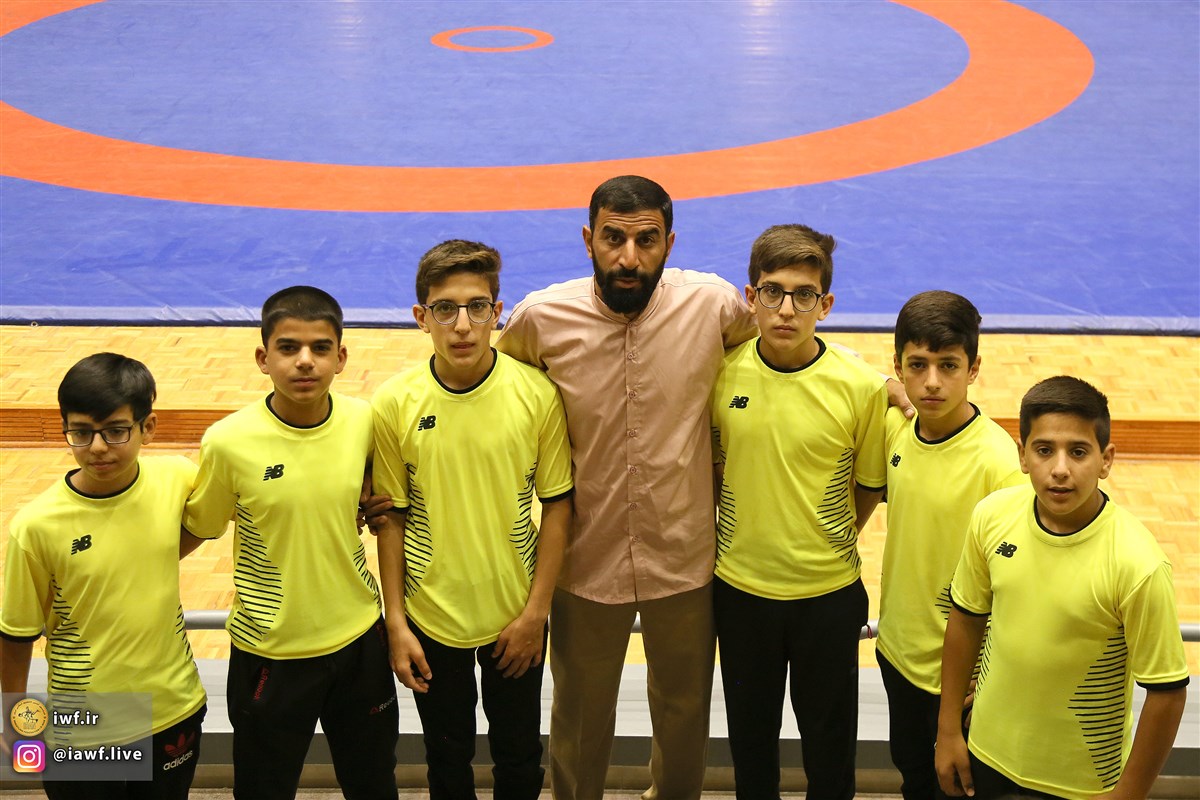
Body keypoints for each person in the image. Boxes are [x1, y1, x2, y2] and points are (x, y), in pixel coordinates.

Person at [496, 175, 758, 800]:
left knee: (685, 712)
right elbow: (489, 390)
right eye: (613, 239)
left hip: (684, 553)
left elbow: (784, 349)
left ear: (670, 242)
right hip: (585, 558)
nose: (629, 258)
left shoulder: (714, 305)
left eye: (647, 240)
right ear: (588, 239)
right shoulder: (540, 320)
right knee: (580, 716)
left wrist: (873, 384)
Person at [370, 240, 574, 798]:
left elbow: (558, 505)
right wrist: (396, 623)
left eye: (477, 307)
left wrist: (537, 613)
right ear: (421, 317)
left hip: (516, 616)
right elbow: (390, 520)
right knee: (446, 759)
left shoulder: (536, 394)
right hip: (431, 618)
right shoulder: (394, 403)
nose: (462, 325)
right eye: (445, 309)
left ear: (497, 312)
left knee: (519, 757)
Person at [181, 286, 399, 800]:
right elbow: (199, 527)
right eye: (288, 347)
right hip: (269, 654)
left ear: (341, 358)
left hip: (360, 641)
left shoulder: (363, 421)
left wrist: (370, 502)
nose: (305, 361)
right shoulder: (228, 442)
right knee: (264, 790)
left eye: (320, 348)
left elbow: (377, 492)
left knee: (374, 784)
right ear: (263, 358)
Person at [935, 376, 1189, 800]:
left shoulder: (1138, 564)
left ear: (1106, 460)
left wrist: (1128, 795)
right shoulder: (991, 516)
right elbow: (965, 621)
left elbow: (1167, 694)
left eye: (1078, 452)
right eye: (1044, 450)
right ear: (1022, 455)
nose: (1059, 469)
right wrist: (947, 731)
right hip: (984, 756)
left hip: (1082, 784)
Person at [709, 223, 888, 799]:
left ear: (825, 305)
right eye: (772, 292)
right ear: (750, 297)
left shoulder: (860, 388)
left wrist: (823, 538)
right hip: (740, 594)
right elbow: (715, 466)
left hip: (828, 597)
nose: (786, 309)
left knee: (830, 758)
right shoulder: (719, 376)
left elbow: (868, 487)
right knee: (751, 754)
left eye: (803, 295)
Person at [1, 353, 206, 799]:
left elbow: (228, 507)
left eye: (115, 430)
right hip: (84, 726)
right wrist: (17, 722)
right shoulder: (36, 527)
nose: (97, 447)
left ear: (148, 427)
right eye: (81, 432)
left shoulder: (178, 477)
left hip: (174, 708)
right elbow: (16, 636)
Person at [875, 291, 1023, 800]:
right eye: (918, 365)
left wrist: (991, 671)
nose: (932, 381)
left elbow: (1019, 583)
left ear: (973, 368)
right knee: (914, 781)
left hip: (964, 682)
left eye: (949, 365)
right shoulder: (894, 428)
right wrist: (886, 385)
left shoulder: (999, 464)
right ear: (899, 366)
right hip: (897, 656)